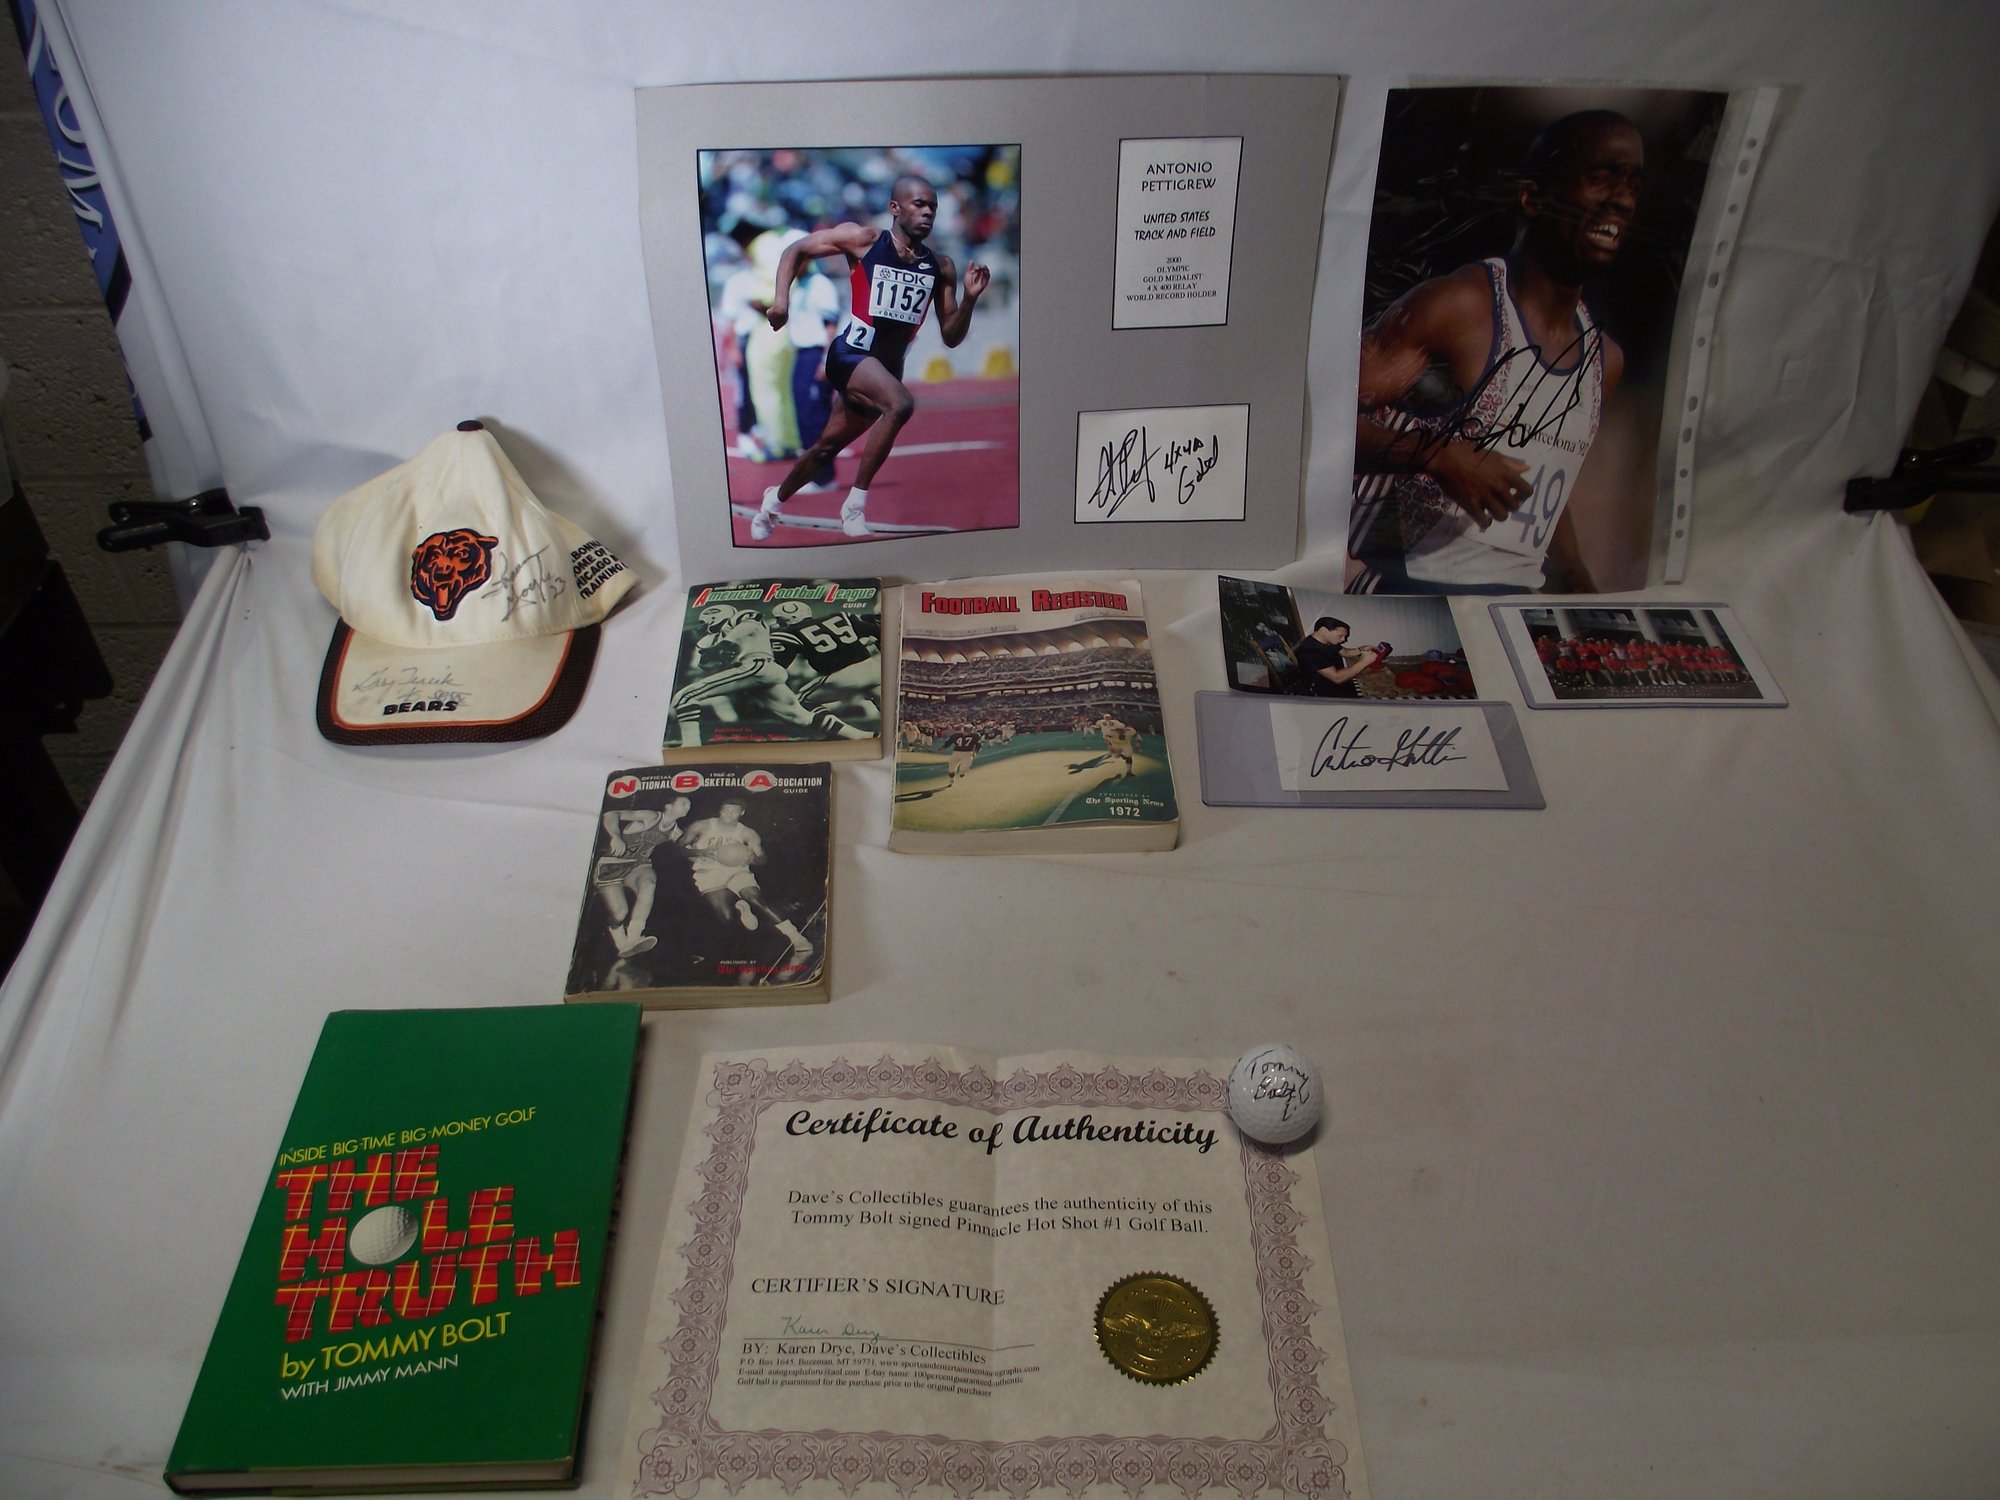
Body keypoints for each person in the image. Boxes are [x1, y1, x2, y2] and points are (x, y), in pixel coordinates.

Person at [1348, 110, 1641, 594]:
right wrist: (1437, 456)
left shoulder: (1604, 360)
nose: (1624, 200)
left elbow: (1541, 483)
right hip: (1411, 594)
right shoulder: (1458, 308)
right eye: (1601, 178)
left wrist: (1577, 580)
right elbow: (1320, 420)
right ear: (1533, 196)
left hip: (1515, 605)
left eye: (1633, 185)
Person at [750, 174, 991, 540]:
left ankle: (773, 502)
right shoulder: (864, 240)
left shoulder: (940, 266)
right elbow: (795, 249)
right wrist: (781, 301)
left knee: (825, 449)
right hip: (850, 355)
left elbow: (951, 337)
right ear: (895, 207)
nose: (928, 213)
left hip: (886, 371)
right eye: (919, 204)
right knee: (901, 404)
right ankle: (855, 507)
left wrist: (970, 299)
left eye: (933, 207)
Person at [670, 603, 867, 745]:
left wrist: (727, 642)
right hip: (761, 673)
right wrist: (710, 652)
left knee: (685, 696)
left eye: (705, 622)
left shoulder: (740, 621)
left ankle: (690, 747)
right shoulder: (712, 639)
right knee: (798, 715)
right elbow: (706, 666)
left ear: (715, 618)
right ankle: (859, 735)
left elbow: (750, 624)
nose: (702, 627)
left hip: (756, 666)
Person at [681, 798, 813, 954]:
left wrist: (753, 858)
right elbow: (677, 849)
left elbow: (762, 859)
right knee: (727, 917)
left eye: (734, 811)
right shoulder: (701, 826)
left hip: (737, 871)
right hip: (708, 873)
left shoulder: (747, 833)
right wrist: (700, 852)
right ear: (720, 810)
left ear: (742, 813)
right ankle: (740, 905)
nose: (729, 814)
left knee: (756, 899)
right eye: (726, 810)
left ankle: (797, 938)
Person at [591, 796, 689, 959]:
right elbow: (611, 814)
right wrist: (615, 836)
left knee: (649, 884)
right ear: (668, 806)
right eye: (683, 803)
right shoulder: (651, 817)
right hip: (612, 865)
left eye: (689, 805)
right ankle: (621, 941)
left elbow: (689, 849)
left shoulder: (675, 831)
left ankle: (635, 934)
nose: (687, 807)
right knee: (620, 914)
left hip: (638, 865)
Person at [1293, 617, 1384, 698]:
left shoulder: (1327, 640)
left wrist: (1361, 649)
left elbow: (1345, 652)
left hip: (1335, 682)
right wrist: (1364, 662)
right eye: (1340, 635)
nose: (1343, 639)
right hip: (1323, 693)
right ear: (1324, 630)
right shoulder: (1310, 650)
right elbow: (1337, 678)